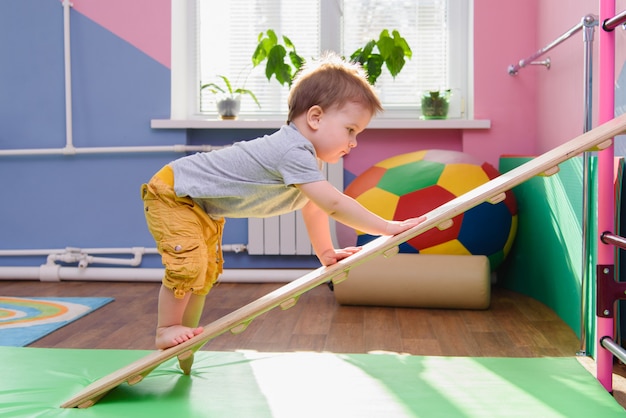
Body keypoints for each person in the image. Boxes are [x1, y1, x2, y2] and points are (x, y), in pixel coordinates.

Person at [140, 52, 426, 372]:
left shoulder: (305, 158)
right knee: (188, 265)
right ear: (315, 117)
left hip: (200, 206)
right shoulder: (292, 150)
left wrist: (326, 252)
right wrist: (386, 226)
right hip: (174, 193)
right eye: (350, 130)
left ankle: (185, 343)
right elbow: (332, 204)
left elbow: (314, 209)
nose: (354, 142)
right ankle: (167, 329)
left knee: (204, 274)